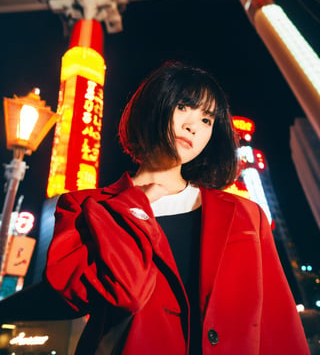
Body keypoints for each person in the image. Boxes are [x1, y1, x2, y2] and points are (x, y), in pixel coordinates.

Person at [44, 61, 309, 354]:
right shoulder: (83, 207)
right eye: (183, 107)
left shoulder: (246, 215)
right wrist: (131, 207)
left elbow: (278, 322)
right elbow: (122, 294)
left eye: (207, 120)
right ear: (154, 107)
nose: (193, 126)